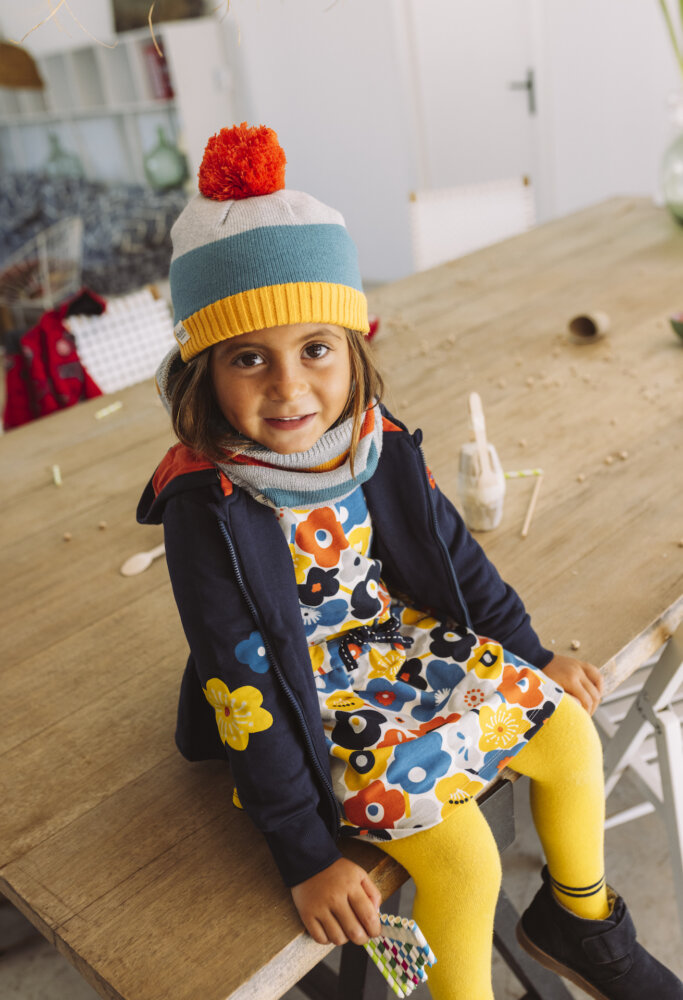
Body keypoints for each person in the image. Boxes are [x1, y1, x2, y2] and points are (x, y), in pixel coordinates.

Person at [138, 123, 683, 1000]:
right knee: (465, 857)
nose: (288, 388)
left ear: (352, 350)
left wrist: (530, 653)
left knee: (569, 732)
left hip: (398, 644)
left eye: (315, 349)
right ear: (202, 372)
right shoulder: (208, 504)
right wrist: (305, 856)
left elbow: (452, 556)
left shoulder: (373, 438)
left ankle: (577, 919)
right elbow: (240, 691)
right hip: (303, 693)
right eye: (248, 358)